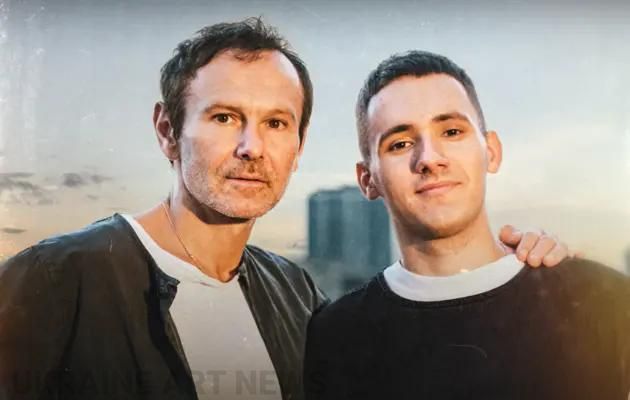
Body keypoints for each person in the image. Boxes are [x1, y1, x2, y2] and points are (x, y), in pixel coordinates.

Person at [0, 20, 569, 400]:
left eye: (276, 122)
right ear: (168, 130)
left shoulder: (298, 296)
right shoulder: (54, 279)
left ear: (297, 148)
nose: (253, 147)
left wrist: (531, 275)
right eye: (225, 117)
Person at [303, 50, 630, 400]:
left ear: (492, 151)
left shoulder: (606, 300)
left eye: (452, 131)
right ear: (367, 179)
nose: (429, 159)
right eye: (400, 143)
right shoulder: (332, 336)